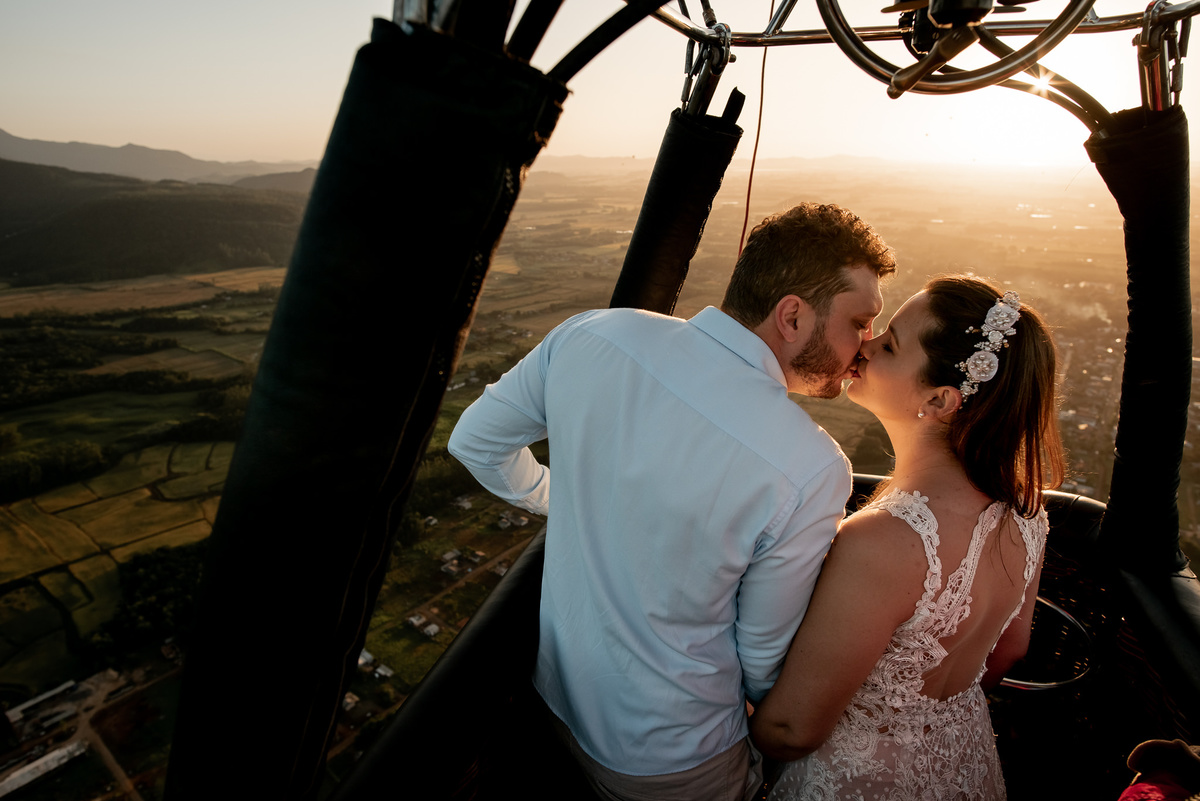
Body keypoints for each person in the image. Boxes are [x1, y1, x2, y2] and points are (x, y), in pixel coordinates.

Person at [447, 203, 896, 800]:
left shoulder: (592, 332)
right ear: (792, 316)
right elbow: (762, 658)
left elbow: (475, 443)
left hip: (556, 698)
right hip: (674, 756)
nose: (866, 344)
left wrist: (572, 499)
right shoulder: (810, 467)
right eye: (860, 322)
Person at [750, 275, 1066, 800]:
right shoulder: (1028, 514)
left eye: (890, 344)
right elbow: (1010, 650)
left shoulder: (883, 540)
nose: (865, 346)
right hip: (964, 766)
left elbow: (791, 730)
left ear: (940, 398)